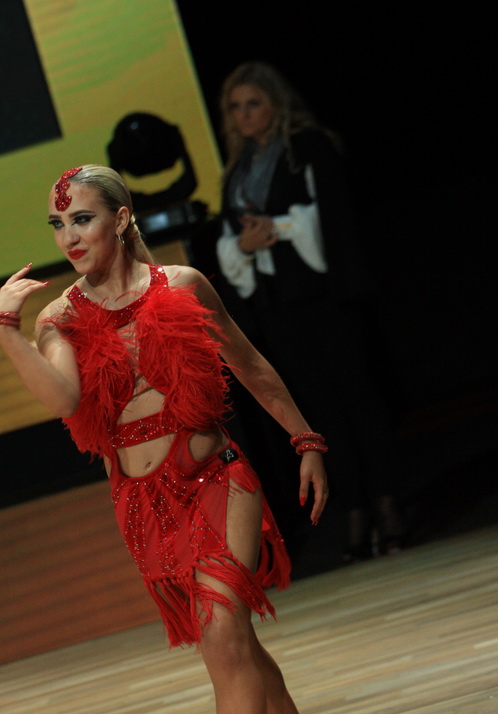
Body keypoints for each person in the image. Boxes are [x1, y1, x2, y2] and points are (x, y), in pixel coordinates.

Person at [0, 164, 341, 714]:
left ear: (120, 218)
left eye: (82, 218)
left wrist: (305, 440)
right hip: (145, 504)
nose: (68, 236)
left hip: (217, 479)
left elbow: (249, 365)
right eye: (57, 224)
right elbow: (63, 398)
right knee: (233, 644)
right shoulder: (60, 318)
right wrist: (5, 331)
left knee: (223, 634)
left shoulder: (182, 286)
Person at [216, 61, 405, 562]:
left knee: (359, 398)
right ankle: (354, 508)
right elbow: (231, 238)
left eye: (253, 104)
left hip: (326, 295)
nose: (244, 115)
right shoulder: (237, 170)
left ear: (275, 103)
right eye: (235, 107)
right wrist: (246, 244)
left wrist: (275, 230)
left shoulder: (308, 148)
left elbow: (332, 219)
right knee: (318, 411)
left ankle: (388, 503)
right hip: (278, 306)